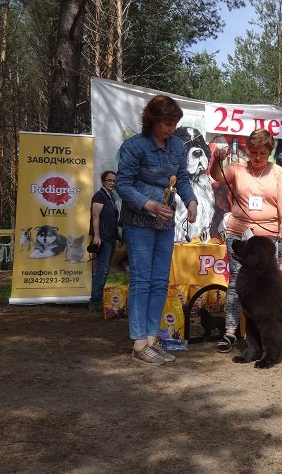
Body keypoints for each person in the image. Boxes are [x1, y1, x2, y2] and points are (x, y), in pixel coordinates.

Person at [116, 95, 198, 365]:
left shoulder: (176, 146)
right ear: (151, 120)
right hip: (138, 221)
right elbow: (123, 185)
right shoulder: (134, 147)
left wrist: (191, 201)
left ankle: (152, 339)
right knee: (142, 280)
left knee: (161, 281)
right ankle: (139, 343)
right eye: (167, 123)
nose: (171, 129)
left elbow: (182, 179)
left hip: (165, 222)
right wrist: (148, 204)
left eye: (175, 123)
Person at [210, 129, 282, 353]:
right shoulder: (237, 169)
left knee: (270, 285)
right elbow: (217, 176)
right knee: (237, 281)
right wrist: (217, 159)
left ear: (270, 152)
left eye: (262, 153)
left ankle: (273, 335)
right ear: (247, 151)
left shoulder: (279, 172)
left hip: (270, 236)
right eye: (253, 152)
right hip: (239, 233)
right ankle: (230, 332)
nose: (257, 157)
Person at [88, 170, 121, 312]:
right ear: (103, 181)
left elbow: (113, 219)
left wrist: (119, 237)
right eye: (109, 180)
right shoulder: (99, 196)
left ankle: (99, 298)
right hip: (103, 238)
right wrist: (96, 236)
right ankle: (95, 301)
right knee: (101, 269)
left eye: (114, 181)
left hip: (111, 237)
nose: (112, 183)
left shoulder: (111, 196)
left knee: (105, 270)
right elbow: (96, 216)